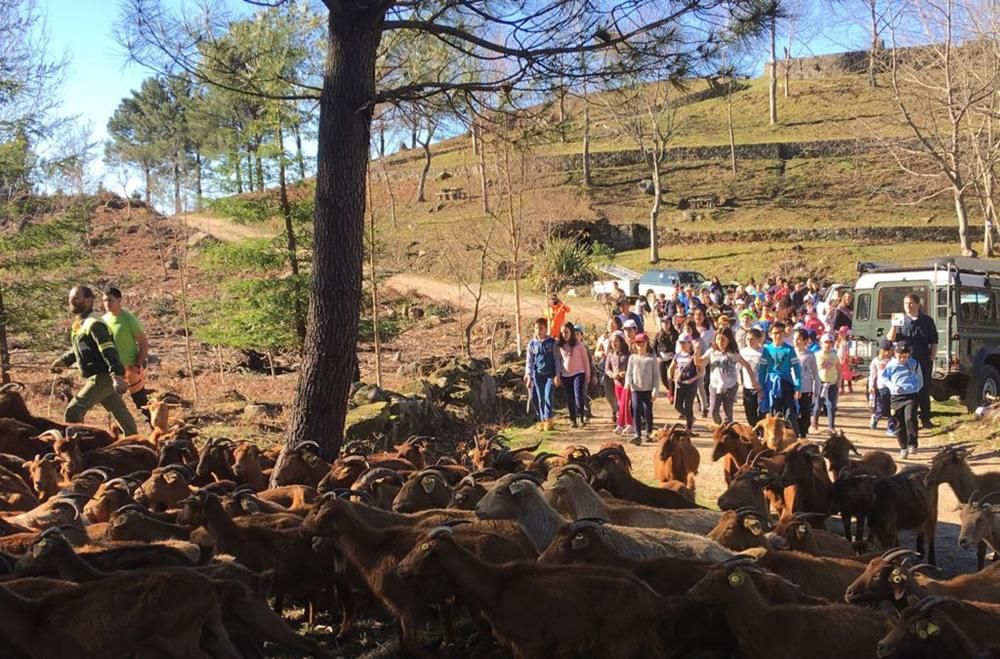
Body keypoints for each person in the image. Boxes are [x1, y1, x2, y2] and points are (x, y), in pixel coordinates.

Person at [50, 286, 137, 436]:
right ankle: (137, 442)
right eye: (70, 298)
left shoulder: (94, 323)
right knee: (119, 411)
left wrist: (116, 375)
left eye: (76, 298)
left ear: (89, 300)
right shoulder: (83, 323)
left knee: (73, 413)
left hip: (102, 376)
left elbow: (108, 350)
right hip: (101, 376)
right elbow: (81, 348)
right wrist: (63, 361)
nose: (71, 301)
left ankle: (78, 449)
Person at [887, 293, 939, 429]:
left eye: (910, 303)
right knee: (905, 389)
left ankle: (926, 419)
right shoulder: (900, 320)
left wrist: (932, 357)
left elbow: (934, 341)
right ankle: (907, 420)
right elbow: (891, 339)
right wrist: (893, 325)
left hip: (922, 361)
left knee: (923, 389)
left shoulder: (927, 321)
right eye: (905, 303)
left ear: (917, 304)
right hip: (904, 363)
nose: (908, 306)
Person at [101, 287, 151, 423]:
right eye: (104, 300)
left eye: (110, 300)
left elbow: (143, 343)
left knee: (142, 403)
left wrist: (138, 365)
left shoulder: (128, 319)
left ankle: (158, 433)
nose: (107, 303)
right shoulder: (103, 320)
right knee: (115, 407)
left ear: (119, 300)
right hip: (113, 371)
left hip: (130, 369)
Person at [695, 327, 759, 425]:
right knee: (713, 411)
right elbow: (699, 362)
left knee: (728, 413)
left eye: (723, 339)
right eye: (718, 339)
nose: (720, 342)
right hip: (715, 385)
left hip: (730, 386)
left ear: (729, 340)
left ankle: (728, 431)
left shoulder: (733, 353)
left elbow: (746, 365)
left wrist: (753, 381)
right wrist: (696, 352)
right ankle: (721, 427)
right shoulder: (711, 352)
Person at [879, 341, 924, 458]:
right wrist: (892, 387)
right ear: (894, 354)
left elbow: (920, 378)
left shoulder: (914, 363)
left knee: (910, 419)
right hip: (896, 397)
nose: (902, 359)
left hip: (911, 395)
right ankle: (903, 447)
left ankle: (912, 444)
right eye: (899, 356)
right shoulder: (891, 365)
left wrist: (916, 388)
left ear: (909, 354)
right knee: (898, 423)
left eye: (905, 356)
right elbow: (884, 377)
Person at [757, 322, 801, 420]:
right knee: (774, 413)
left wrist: (797, 388)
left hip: (787, 383)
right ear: (770, 334)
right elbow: (762, 370)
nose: (778, 335)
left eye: (780, 332)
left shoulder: (790, 350)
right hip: (772, 384)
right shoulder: (767, 350)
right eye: (775, 333)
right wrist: (761, 388)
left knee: (790, 414)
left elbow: (797, 370)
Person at [555, 322, 591, 428]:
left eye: (566, 332)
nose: (564, 335)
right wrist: (558, 374)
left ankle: (581, 417)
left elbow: (585, 361)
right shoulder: (560, 346)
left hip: (578, 373)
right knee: (570, 398)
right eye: (562, 333)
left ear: (571, 332)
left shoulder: (579, 345)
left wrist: (588, 374)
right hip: (565, 375)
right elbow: (558, 361)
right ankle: (573, 419)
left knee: (578, 395)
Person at [524, 318, 557, 431]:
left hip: (550, 374)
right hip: (537, 375)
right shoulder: (532, 344)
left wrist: (557, 374)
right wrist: (528, 375)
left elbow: (557, 359)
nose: (538, 330)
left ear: (546, 329)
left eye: (541, 328)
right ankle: (542, 419)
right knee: (539, 398)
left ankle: (548, 419)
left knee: (548, 396)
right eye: (536, 328)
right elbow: (529, 361)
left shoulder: (552, 342)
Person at [625, 333, 658, 445]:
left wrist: (655, 390)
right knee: (636, 410)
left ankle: (648, 433)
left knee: (648, 411)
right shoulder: (632, 358)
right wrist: (628, 384)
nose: (640, 345)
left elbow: (656, 376)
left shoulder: (651, 358)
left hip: (648, 389)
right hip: (636, 389)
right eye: (637, 343)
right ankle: (637, 434)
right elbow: (629, 373)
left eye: (642, 343)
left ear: (646, 343)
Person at [668, 334, 702, 433]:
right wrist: (670, 377)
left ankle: (689, 428)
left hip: (691, 385)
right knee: (677, 405)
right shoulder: (677, 355)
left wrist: (692, 380)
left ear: (689, 343)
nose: (682, 345)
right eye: (680, 343)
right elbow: (671, 367)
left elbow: (700, 372)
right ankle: (690, 418)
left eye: (684, 343)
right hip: (680, 383)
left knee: (688, 405)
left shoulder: (693, 356)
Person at [594, 318, 622, 427]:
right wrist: (600, 353)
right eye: (609, 323)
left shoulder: (621, 336)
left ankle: (621, 413)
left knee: (620, 392)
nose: (611, 325)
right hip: (606, 368)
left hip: (619, 368)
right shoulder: (603, 338)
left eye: (613, 323)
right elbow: (596, 351)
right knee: (609, 393)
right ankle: (615, 409)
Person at [793, 329, 820, 438]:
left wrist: (816, 389)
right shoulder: (790, 352)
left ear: (805, 340)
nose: (796, 341)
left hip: (806, 388)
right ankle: (794, 432)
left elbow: (815, 373)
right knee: (793, 413)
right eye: (794, 339)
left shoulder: (810, 355)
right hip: (792, 388)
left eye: (799, 339)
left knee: (805, 412)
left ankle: (803, 433)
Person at [868, 339, 897, 435]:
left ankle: (891, 427)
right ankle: (876, 417)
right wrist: (871, 386)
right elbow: (872, 375)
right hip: (881, 388)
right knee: (882, 408)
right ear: (881, 350)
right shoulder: (876, 361)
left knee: (892, 409)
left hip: (892, 388)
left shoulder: (894, 361)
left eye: (890, 350)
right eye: (886, 350)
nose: (888, 352)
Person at [606, 333, 632, 435]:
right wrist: (613, 375)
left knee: (623, 404)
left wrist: (625, 373)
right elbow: (607, 369)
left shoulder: (628, 354)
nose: (614, 344)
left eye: (616, 341)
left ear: (621, 341)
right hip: (617, 383)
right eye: (612, 342)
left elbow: (632, 367)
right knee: (621, 404)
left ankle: (620, 425)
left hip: (627, 383)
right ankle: (629, 424)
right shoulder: (611, 354)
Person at [814, 333, 841, 431]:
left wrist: (839, 381)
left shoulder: (834, 356)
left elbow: (839, 369)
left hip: (832, 384)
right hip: (820, 383)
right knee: (818, 405)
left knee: (831, 405)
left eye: (830, 343)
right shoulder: (817, 355)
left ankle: (831, 426)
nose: (828, 345)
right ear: (821, 343)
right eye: (826, 342)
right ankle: (815, 421)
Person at [740, 328, 765, 425]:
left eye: (752, 339)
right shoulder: (742, 352)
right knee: (750, 414)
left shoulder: (764, 351)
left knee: (762, 413)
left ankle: (761, 434)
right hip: (748, 386)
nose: (749, 341)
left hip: (761, 386)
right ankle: (754, 433)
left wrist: (762, 387)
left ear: (759, 339)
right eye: (747, 339)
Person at [652, 315, 678, 402]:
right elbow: (654, 347)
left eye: (667, 323)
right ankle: (670, 390)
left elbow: (678, 347)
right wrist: (658, 356)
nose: (665, 325)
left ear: (670, 323)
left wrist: (675, 357)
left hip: (671, 358)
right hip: (662, 359)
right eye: (663, 323)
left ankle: (672, 394)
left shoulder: (675, 335)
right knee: (663, 378)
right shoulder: (658, 334)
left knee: (670, 377)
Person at [836, 327, 855, 394]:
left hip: (846, 359)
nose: (841, 334)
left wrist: (847, 358)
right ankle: (842, 388)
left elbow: (849, 350)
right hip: (839, 359)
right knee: (841, 374)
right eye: (840, 333)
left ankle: (850, 387)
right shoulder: (838, 341)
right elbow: (837, 351)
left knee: (848, 374)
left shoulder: (848, 342)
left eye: (843, 333)